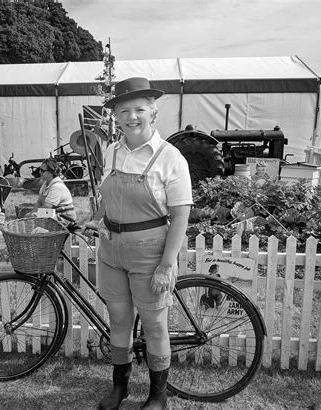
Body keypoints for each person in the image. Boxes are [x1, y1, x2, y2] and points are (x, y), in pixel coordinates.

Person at [86, 77, 192, 409]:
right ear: (115, 116)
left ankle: (158, 395)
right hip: (111, 252)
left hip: (149, 254)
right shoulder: (112, 151)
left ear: (153, 113)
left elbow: (180, 215)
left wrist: (166, 264)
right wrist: (99, 217)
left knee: (154, 325)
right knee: (118, 320)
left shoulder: (170, 157)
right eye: (124, 110)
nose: (132, 117)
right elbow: (109, 193)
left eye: (139, 110)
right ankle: (121, 387)